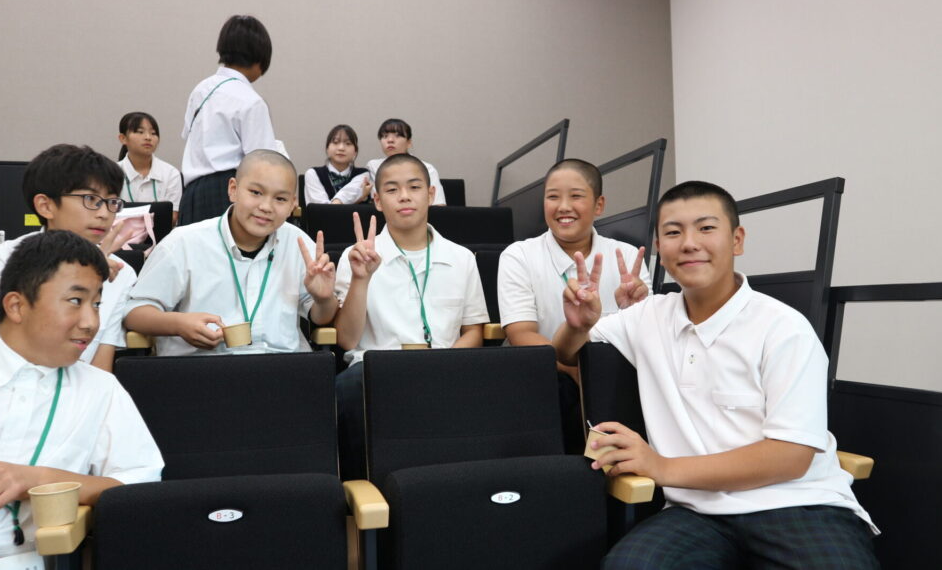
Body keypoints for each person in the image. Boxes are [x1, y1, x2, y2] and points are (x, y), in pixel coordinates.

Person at [553, 181, 879, 569]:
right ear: (659, 247)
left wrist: (661, 467)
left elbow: (790, 457)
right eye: (673, 232)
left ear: (737, 240)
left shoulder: (784, 328)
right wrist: (576, 325)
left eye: (706, 228)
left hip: (798, 503)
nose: (689, 243)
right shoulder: (648, 316)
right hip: (696, 512)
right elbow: (567, 353)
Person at [0, 230, 162, 565]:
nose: (91, 322)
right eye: (75, 301)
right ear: (17, 306)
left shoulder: (100, 389)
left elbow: (140, 486)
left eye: (97, 304)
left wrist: (41, 479)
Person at [333, 153, 487, 478]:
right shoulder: (356, 256)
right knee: (347, 389)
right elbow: (346, 340)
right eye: (392, 189)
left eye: (414, 187)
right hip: (375, 369)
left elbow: (474, 330)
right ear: (377, 201)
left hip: (445, 366)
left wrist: (445, 364)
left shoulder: (461, 258)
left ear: (430, 194)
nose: (404, 196)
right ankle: (361, 490)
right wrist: (361, 279)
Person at [498, 158, 650, 452]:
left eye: (576, 196)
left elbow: (645, 337)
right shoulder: (519, 255)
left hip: (611, 377)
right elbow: (521, 334)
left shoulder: (627, 257)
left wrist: (635, 308)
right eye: (553, 197)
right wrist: (575, 370)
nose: (563, 206)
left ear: (599, 204)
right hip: (546, 378)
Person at [124, 149, 337, 356]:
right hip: (203, 368)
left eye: (280, 199)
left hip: (282, 366)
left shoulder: (298, 244)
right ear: (233, 189)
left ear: (292, 204)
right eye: (256, 193)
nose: (266, 206)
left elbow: (321, 317)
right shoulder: (183, 243)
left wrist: (324, 299)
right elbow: (134, 312)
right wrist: (179, 324)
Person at [0, 144, 135, 373]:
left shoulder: (121, 271)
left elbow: (101, 367)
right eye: (91, 199)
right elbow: (11, 352)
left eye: (112, 202)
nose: (104, 213)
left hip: (81, 389)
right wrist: (78, 273)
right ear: (46, 206)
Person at [180, 15, 279, 225]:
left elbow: (188, 136)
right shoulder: (251, 101)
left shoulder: (200, 90)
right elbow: (263, 162)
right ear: (260, 57)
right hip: (228, 193)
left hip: (190, 194)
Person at [333, 118, 446, 205]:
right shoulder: (373, 166)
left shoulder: (427, 168)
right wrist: (337, 202)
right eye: (385, 136)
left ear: (409, 142)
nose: (390, 140)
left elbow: (439, 205)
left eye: (397, 136)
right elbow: (357, 191)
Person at [116, 111, 183, 224]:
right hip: (120, 233)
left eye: (153, 133)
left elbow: (172, 216)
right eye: (140, 132)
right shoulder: (111, 173)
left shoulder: (171, 173)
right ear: (123, 138)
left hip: (160, 234)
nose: (148, 137)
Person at [303, 124, 370, 205]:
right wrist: (357, 200)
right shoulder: (313, 174)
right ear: (327, 149)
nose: (341, 148)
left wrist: (334, 205)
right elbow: (320, 210)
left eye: (348, 143)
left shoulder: (363, 175)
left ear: (355, 152)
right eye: (335, 142)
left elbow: (328, 209)